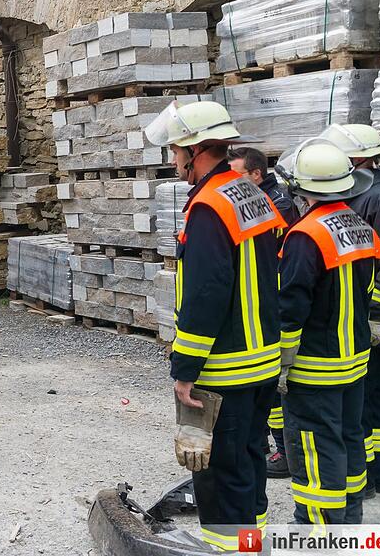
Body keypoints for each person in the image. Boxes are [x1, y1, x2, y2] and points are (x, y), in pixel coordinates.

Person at [144, 100, 284, 551]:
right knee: (248, 466)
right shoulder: (249, 193)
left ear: (196, 149)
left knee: (219, 480)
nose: (173, 159)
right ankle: (250, 544)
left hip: (226, 368)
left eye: (175, 150)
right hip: (262, 360)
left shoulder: (207, 207)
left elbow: (206, 294)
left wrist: (184, 370)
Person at [275, 138, 380, 524]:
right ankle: (349, 522)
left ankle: (319, 531)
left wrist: (283, 364)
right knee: (349, 439)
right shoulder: (359, 227)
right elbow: (371, 289)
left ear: (301, 188)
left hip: (316, 366)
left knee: (314, 446)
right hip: (354, 361)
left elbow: (291, 307)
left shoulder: (305, 236)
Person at [320, 124, 380, 497]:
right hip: (361, 321)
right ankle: (378, 475)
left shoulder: (379, 198)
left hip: (373, 322)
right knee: (367, 401)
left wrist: (376, 318)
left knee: (368, 401)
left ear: (357, 158)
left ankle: (376, 475)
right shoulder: (366, 194)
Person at [229, 145, 301, 479]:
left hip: (276, 301)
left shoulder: (278, 205)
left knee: (274, 389)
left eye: (237, 174)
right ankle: (270, 447)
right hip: (268, 300)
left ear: (256, 174)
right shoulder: (263, 199)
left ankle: (283, 453)